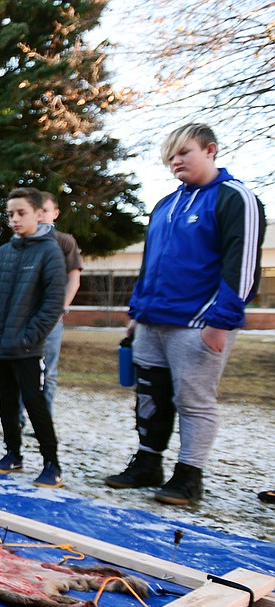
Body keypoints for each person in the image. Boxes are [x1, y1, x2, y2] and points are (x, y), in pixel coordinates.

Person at [105, 123, 266, 505]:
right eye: (170, 156)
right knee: (150, 396)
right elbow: (151, 265)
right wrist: (136, 311)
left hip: (198, 325)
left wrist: (221, 322)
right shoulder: (165, 204)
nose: (175, 161)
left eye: (184, 152)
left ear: (210, 150)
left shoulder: (234, 197)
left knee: (194, 401)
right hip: (151, 320)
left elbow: (241, 265)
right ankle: (148, 463)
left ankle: (189, 477)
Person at [0, 188, 67, 488]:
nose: (14, 219)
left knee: (34, 402)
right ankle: (12, 454)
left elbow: (53, 303)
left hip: (27, 348)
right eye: (10, 214)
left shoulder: (50, 250)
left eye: (21, 213)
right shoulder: (2, 253)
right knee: (6, 404)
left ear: (39, 215)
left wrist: (30, 337)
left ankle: (51, 464)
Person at [38, 192, 83, 412]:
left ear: (55, 213)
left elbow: (74, 278)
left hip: (51, 315)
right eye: (35, 210)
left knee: (49, 370)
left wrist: (61, 306)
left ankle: (43, 417)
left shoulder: (64, 241)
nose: (39, 216)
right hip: (24, 314)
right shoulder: (23, 240)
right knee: (21, 368)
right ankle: (18, 417)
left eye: (44, 211)